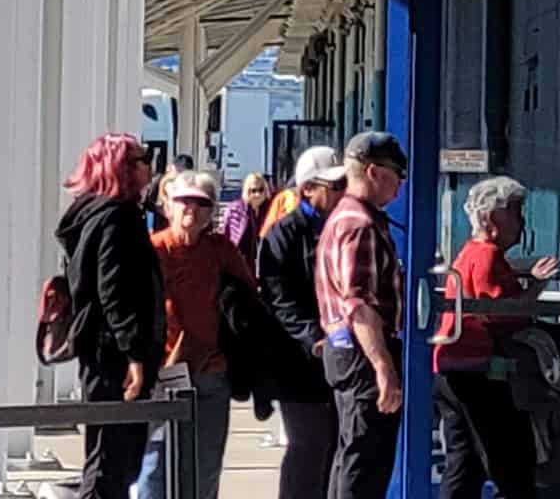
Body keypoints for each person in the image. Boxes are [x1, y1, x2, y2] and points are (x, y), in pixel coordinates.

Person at [433, 176, 560, 499]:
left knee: (464, 458)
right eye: (515, 212)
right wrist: (536, 287)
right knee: (508, 454)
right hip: (475, 368)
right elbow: (503, 313)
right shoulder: (487, 255)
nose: (522, 222)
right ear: (493, 219)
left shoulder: (471, 252)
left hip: (451, 364)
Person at [54, 134, 165, 499]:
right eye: (141, 158)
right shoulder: (116, 219)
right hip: (112, 357)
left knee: (116, 458)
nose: (149, 164)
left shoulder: (95, 215)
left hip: (102, 352)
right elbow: (113, 291)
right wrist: (134, 354)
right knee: (110, 461)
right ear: (121, 168)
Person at [137, 171, 255, 499]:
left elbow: (249, 300)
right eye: (184, 201)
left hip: (212, 372)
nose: (192, 208)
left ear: (212, 212)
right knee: (155, 463)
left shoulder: (221, 250)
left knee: (206, 466)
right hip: (165, 373)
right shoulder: (153, 249)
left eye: (202, 203)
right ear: (167, 207)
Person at [315, 131, 408, 499]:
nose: (400, 184)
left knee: (352, 456)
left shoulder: (343, 217)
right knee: (365, 462)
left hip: (345, 352)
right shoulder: (360, 226)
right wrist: (383, 367)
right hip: (362, 354)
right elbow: (358, 304)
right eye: (397, 174)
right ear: (373, 172)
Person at [258, 146, 347, 499]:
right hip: (298, 361)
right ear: (308, 188)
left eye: (345, 185)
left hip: (343, 355)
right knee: (308, 445)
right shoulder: (283, 235)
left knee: (339, 445)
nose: (342, 193)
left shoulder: (345, 227)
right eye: (334, 186)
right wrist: (313, 338)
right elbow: (279, 299)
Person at [221, 172, 272, 266]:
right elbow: (232, 241)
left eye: (261, 190)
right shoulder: (236, 209)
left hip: (260, 264)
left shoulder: (267, 210)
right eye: (253, 190)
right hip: (240, 265)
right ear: (247, 191)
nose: (257, 194)